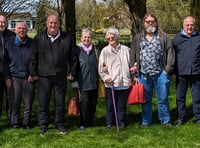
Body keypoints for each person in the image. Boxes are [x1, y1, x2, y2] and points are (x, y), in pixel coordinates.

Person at [28, 14, 77, 135]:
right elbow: (33, 57)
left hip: (60, 76)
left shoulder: (67, 38)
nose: (53, 25)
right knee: (43, 102)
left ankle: (59, 124)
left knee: (60, 102)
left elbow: (73, 57)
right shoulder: (39, 38)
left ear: (59, 24)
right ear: (47, 24)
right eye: (51, 23)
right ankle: (43, 126)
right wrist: (33, 72)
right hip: (44, 76)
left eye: (55, 23)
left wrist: (72, 72)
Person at [130, 13, 175, 127]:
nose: (150, 23)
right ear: (144, 23)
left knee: (163, 99)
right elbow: (132, 55)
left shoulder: (163, 37)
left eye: (152, 21)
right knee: (146, 100)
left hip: (161, 74)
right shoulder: (138, 38)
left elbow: (170, 54)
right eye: (147, 22)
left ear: (156, 22)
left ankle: (165, 120)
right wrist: (134, 73)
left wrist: (166, 71)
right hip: (144, 75)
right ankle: (146, 121)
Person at [4, 22, 35, 129]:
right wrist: (7, 77)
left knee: (28, 102)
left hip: (28, 78)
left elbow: (36, 60)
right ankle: (15, 122)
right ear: (15, 30)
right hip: (14, 77)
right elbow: (5, 62)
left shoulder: (32, 43)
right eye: (19, 28)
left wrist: (33, 74)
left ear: (27, 30)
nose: (22, 30)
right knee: (14, 102)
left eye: (24, 28)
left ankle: (26, 122)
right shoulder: (9, 44)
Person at [98, 27, 132, 128]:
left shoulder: (126, 50)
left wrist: (133, 69)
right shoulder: (105, 51)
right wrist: (106, 77)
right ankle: (109, 122)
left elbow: (132, 63)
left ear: (117, 37)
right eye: (108, 38)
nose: (110, 39)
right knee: (110, 105)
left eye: (112, 37)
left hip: (124, 82)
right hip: (111, 83)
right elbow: (100, 68)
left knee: (121, 105)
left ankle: (121, 122)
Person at [172, 16, 200, 125]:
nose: (189, 27)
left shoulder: (198, 37)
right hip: (181, 73)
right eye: (187, 25)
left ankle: (198, 117)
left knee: (197, 97)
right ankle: (181, 117)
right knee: (180, 98)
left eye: (191, 25)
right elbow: (172, 56)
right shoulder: (177, 39)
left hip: (196, 72)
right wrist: (173, 71)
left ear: (195, 25)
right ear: (183, 26)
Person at [75, 28, 98, 130]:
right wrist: (74, 82)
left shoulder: (96, 49)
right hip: (82, 82)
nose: (87, 39)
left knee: (93, 103)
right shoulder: (77, 50)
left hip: (94, 81)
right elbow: (73, 66)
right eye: (85, 37)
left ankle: (91, 121)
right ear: (81, 38)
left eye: (88, 37)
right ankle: (83, 122)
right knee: (84, 103)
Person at [0, 15, 15, 119]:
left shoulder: (12, 36)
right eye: (0, 22)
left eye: (3, 22)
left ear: (6, 23)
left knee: (11, 97)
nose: (1, 24)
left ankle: (11, 119)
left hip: (9, 72)